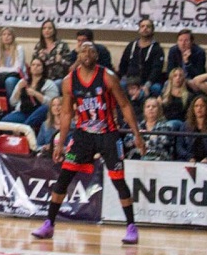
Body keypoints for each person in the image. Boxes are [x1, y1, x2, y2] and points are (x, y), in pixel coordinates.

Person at [32, 42, 145, 244]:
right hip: (83, 136)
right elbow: (66, 113)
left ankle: (131, 226)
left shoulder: (108, 77)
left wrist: (137, 134)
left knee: (119, 181)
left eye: (91, 50)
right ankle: (49, 224)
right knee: (63, 177)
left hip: (108, 135)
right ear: (78, 55)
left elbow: (125, 105)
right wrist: (60, 144)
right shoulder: (69, 81)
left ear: (96, 56)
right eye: (83, 50)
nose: (87, 53)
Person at [3, 57, 59, 130]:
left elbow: (52, 103)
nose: (35, 67)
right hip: (23, 112)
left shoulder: (49, 84)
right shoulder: (22, 82)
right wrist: (19, 89)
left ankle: (23, 129)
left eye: (38, 65)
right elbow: (13, 103)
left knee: (45, 108)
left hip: (39, 112)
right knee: (4, 121)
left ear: (43, 68)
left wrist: (36, 94)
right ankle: (25, 128)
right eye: (33, 65)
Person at [118, 18, 165, 98]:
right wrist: (125, 78)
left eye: (148, 26)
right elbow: (123, 64)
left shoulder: (157, 49)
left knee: (156, 88)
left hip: (148, 82)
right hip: (130, 80)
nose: (145, 28)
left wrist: (147, 85)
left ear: (152, 30)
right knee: (120, 85)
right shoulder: (131, 45)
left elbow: (157, 70)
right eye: (142, 26)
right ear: (139, 30)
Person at [0, 27, 25, 97]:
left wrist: (1, 69)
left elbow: (17, 69)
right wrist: (4, 71)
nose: (6, 37)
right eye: (4, 34)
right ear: (1, 37)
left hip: (14, 76)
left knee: (9, 81)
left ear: (13, 37)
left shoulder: (19, 49)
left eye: (9, 34)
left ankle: (11, 104)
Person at [32, 20, 70, 88]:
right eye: (44, 28)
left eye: (49, 28)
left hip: (58, 78)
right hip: (42, 79)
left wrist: (61, 60)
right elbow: (33, 64)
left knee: (54, 85)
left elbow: (69, 64)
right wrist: (40, 60)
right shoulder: (38, 46)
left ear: (54, 30)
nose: (47, 30)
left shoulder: (62, 45)